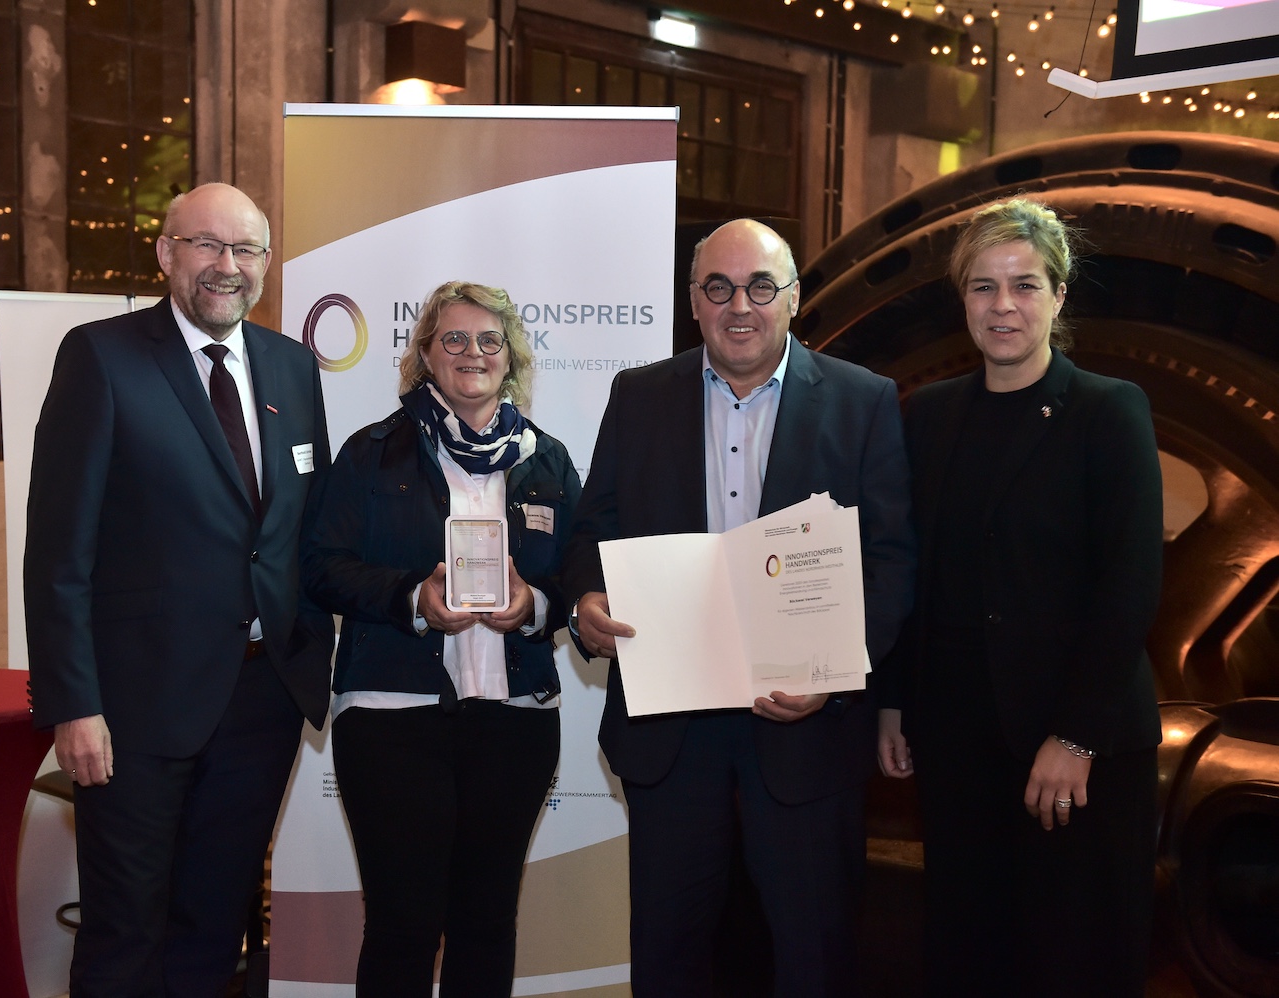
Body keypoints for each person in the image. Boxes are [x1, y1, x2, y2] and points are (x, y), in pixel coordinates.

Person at [564, 219, 915, 997]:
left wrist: (836, 670)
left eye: (761, 286)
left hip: (806, 728)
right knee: (667, 949)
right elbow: (594, 529)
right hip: (672, 731)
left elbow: (892, 562)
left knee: (811, 953)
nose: (740, 306)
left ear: (793, 298)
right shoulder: (640, 394)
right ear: (694, 301)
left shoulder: (863, 402)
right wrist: (585, 600)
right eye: (718, 288)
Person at [23, 182, 334, 997]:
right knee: (127, 928)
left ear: (266, 264)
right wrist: (72, 703)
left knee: (215, 922)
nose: (226, 267)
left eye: (246, 251)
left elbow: (302, 528)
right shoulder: (101, 356)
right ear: (166, 254)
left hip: (261, 700)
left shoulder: (292, 366)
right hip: (134, 708)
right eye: (206, 245)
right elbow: (59, 551)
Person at [876, 197, 1163, 997]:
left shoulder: (1110, 411)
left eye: (1024, 285)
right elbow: (911, 570)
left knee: (1073, 956)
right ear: (962, 299)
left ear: (1059, 296)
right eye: (982, 287)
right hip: (958, 738)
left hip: (1079, 745)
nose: (1003, 306)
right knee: (968, 948)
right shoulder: (928, 416)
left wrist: (1074, 737)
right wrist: (895, 704)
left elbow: (1131, 582)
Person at [302, 281, 582, 997]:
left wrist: (535, 606)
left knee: (487, 921)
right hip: (393, 719)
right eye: (453, 339)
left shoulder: (547, 461)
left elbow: (583, 583)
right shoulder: (372, 453)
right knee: (402, 925)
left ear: (511, 357)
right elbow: (321, 567)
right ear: (425, 354)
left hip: (514, 721)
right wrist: (412, 598)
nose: (472, 353)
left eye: (490, 340)